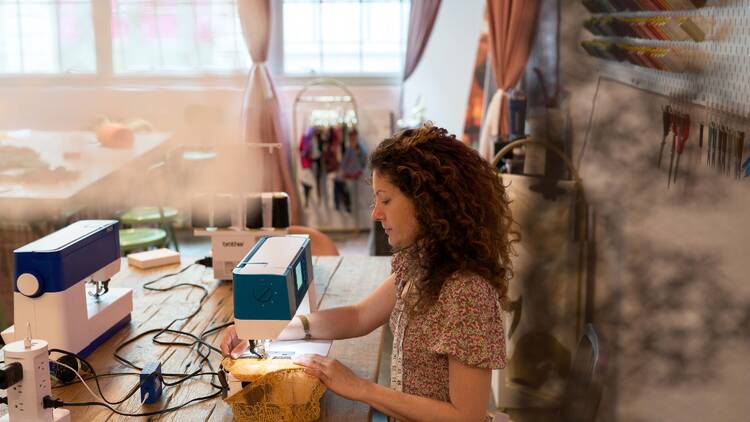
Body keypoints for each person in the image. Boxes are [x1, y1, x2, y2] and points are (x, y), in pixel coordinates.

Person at [221, 124, 516, 421]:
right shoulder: (422, 261)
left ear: (428, 204)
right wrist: (276, 329)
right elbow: (359, 316)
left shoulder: (466, 293)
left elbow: (466, 417)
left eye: (385, 200)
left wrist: (362, 388)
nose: (376, 213)